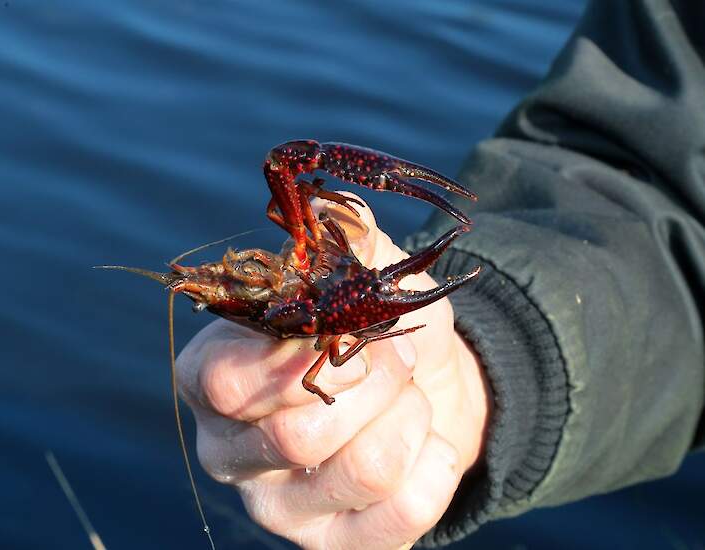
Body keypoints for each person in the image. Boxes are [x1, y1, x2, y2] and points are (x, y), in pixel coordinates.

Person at [174, 0, 705, 547]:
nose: (240, 266)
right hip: (346, 319)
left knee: (285, 163)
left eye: (239, 265)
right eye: (232, 276)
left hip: (339, 307)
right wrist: (484, 366)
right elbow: (656, 164)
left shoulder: (297, 247)